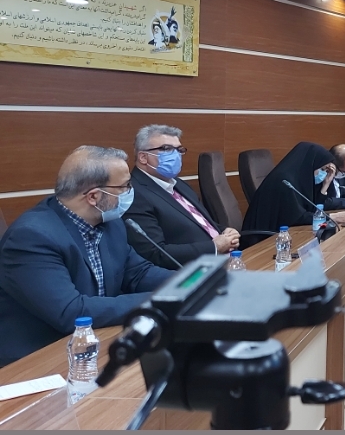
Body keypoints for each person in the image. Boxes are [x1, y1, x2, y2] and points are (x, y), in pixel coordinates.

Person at [0, 146, 173, 367]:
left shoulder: (110, 223)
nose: (131, 192)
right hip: (35, 360)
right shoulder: (31, 237)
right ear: (93, 196)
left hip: (93, 343)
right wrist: (163, 301)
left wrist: (189, 283)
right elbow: (71, 312)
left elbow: (138, 273)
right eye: (125, 186)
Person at [125, 124, 240, 269]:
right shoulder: (134, 194)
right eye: (167, 149)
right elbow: (155, 253)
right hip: (192, 272)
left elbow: (199, 224)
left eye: (179, 150)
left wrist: (225, 231)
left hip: (228, 262)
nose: (175, 155)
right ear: (143, 157)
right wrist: (214, 247)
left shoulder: (179, 184)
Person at [243, 142, 345, 232]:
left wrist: (325, 185)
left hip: (284, 232)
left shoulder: (302, 181)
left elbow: (313, 208)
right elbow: (296, 218)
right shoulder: (285, 181)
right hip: (263, 239)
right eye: (323, 169)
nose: (323, 173)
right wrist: (331, 217)